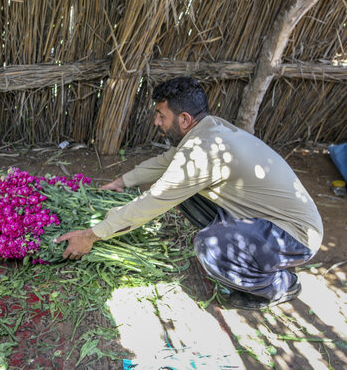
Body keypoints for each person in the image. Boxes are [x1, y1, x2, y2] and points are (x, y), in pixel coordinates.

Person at [54, 77, 323, 310]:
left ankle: (280, 285)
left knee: (210, 246)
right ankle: (247, 253)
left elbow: (152, 202)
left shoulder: (204, 151)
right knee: (183, 190)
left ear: (184, 119)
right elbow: (166, 163)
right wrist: (123, 182)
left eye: (161, 115)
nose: (156, 121)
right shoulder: (207, 130)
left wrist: (91, 235)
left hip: (294, 235)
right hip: (261, 218)